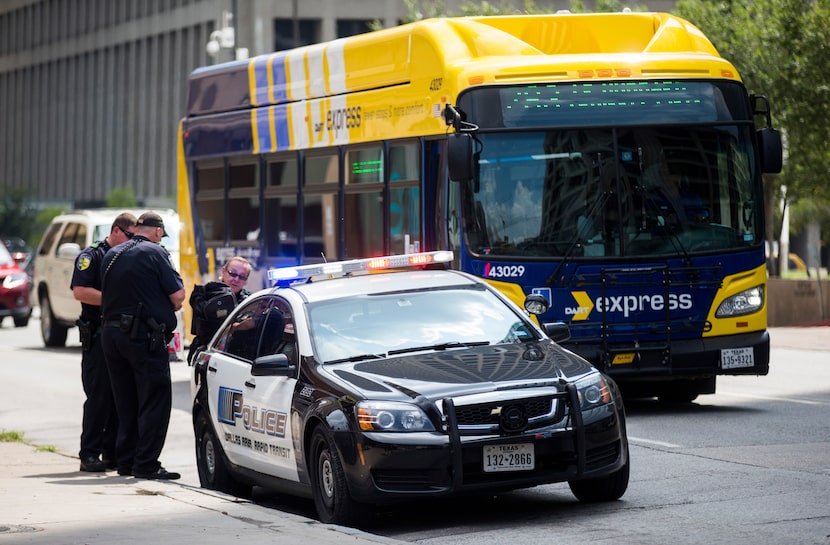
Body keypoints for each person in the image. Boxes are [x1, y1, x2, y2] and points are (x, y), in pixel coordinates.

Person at [100, 211, 185, 480]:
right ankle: (146, 464)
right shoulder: (155, 253)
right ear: (158, 231)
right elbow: (178, 295)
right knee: (154, 401)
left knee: (126, 402)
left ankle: (126, 461)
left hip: (111, 335)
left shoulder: (111, 254)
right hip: (142, 337)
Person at [71, 212, 137, 472]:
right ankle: (89, 453)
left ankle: (112, 452)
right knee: (98, 396)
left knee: (120, 397)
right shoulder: (93, 256)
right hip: (97, 334)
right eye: (130, 235)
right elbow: (81, 291)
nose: (133, 241)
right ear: (117, 231)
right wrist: (114, 300)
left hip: (120, 334)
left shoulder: (127, 257)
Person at [187, 256, 252, 364]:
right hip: (208, 356)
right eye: (233, 274)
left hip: (239, 358)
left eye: (242, 277)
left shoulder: (249, 299)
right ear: (223, 271)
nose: (236, 279)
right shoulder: (205, 294)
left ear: (246, 281)